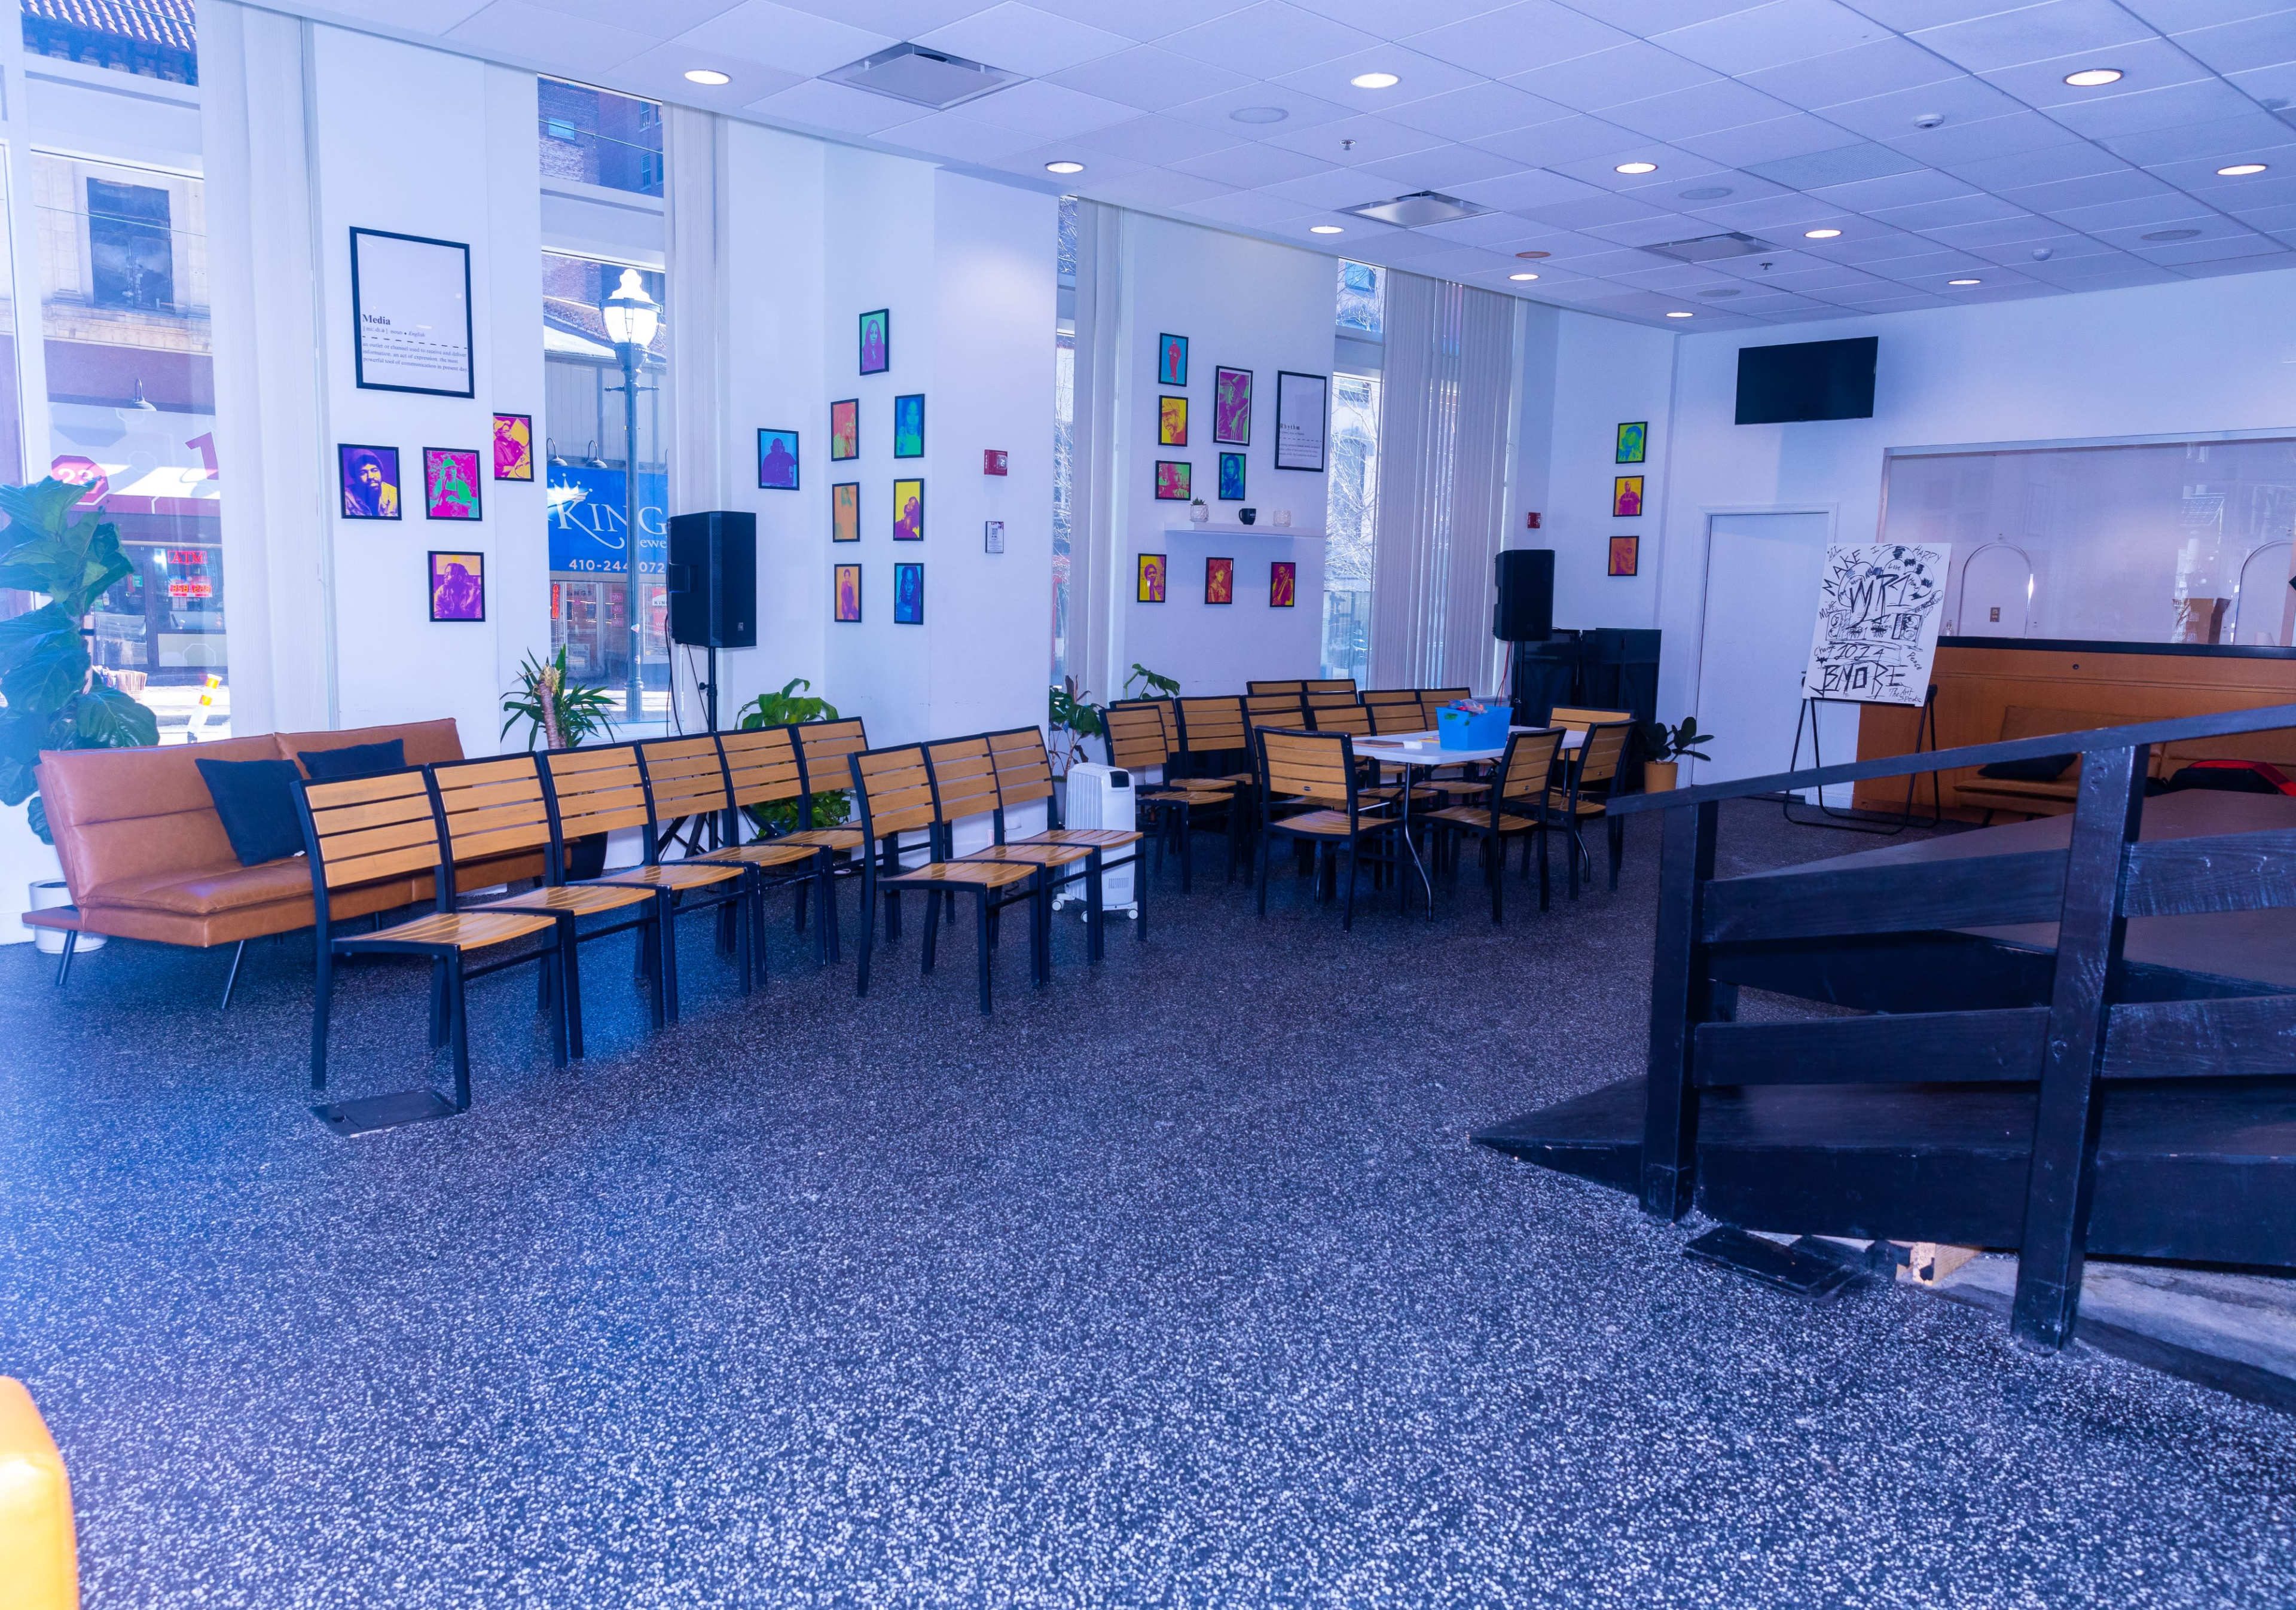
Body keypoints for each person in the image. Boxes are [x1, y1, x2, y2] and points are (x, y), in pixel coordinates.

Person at [344, 450, 397, 518]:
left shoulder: (395, 496)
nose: (371, 477)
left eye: (374, 471)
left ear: (381, 473)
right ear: (355, 478)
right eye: (363, 473)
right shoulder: (346, 497)